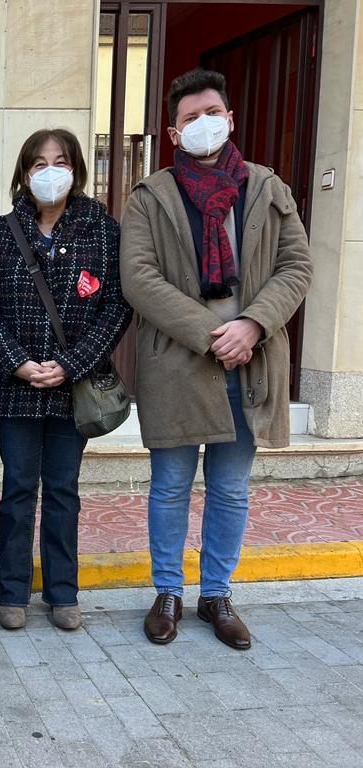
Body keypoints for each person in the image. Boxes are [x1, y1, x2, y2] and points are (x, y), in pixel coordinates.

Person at [120, 69, 312, 650]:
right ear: (173, 133)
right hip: (179, 363)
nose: (203, 124)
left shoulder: (267, 188)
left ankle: (217, 595)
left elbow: (296, 266)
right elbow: (139, 278)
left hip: (250, 362)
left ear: (229, 119)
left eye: (211, 113)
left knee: (230, 488)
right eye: (190, 118)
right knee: (170, 486)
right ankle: (167, 593)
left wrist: (252, 324)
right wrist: (213, 334)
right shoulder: (150, 196)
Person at [0, 129, 131, 632]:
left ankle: (63, 592)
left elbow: (116, 306)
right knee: (18, 489)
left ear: (76, 169)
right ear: (24, 173)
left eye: (60, 162)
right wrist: (15, 361)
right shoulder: (0, 232)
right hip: (15, 387)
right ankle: (11, 592)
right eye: (38, 164)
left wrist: (72, 363)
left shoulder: (102, 231)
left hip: (73, 390)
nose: (49, 172)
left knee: (63, 489)